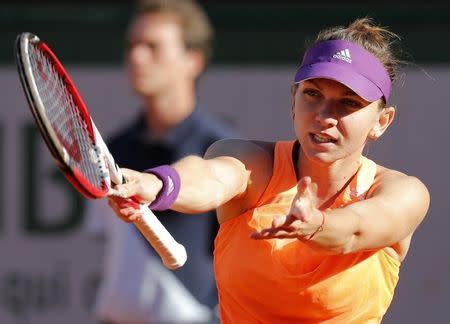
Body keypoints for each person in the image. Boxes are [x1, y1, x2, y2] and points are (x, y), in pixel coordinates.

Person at [108, 18, 430, 323]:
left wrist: (316, 224)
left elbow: (357, 228)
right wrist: (159, 183)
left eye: (347, 103)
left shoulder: (403, 193)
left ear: (381, 121)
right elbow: (211, 176)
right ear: (294, 98)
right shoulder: (251, 163)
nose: (323, 115)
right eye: (313, 94)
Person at [84, 0, 237, 323]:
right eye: (132, 45)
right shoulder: (115, 149)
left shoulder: (222, 149)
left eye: (153, 47)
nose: (136, 57)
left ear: (192, 60)